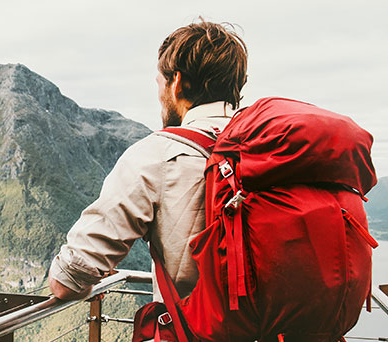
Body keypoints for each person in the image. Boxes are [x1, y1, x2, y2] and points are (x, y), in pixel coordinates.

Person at [47, 20, 248, 302]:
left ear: (176, 83)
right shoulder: (276, 149)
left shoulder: (156, 156)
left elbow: (67, 281)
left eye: (160, 82)